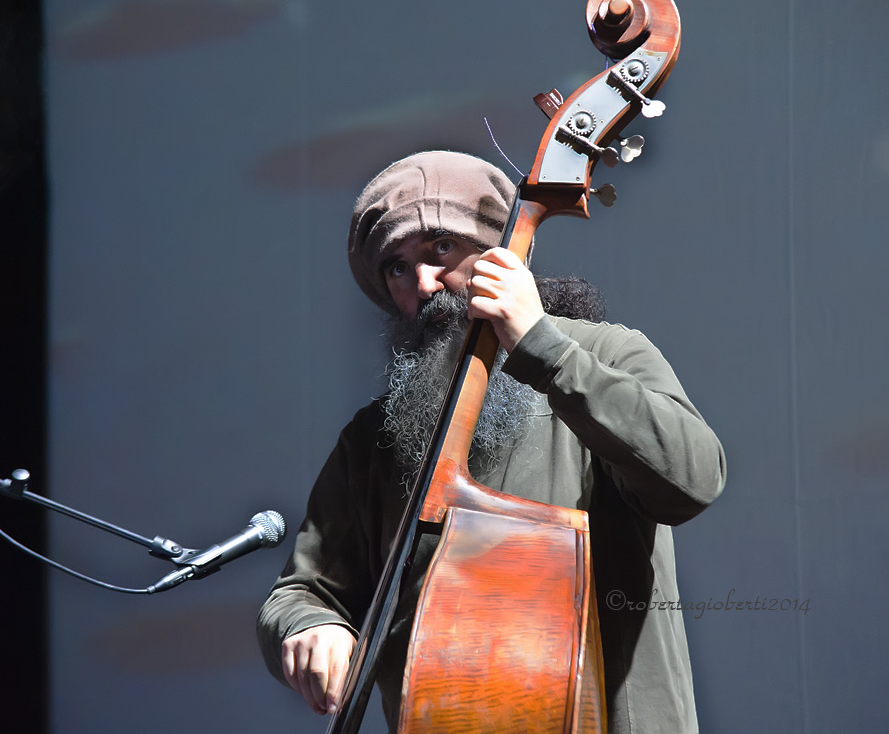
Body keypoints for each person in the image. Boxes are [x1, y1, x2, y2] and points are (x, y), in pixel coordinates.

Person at [257, 150, 726, 733]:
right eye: (397, 268)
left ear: (500, 254)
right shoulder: (372, 440)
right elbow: (303, 591)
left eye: (441, 250)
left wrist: (545, 350)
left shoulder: (605, 355)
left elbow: (694, 478)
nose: (424, 283)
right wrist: (309, 626)